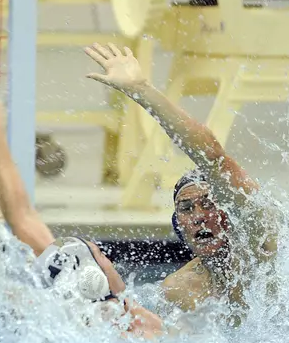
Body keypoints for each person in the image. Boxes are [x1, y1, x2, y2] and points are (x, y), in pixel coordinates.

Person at [83, 43, 279, 314]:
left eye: (208, 204)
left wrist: (142, 91)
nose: (198, 216)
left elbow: (211, 153)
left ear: (231, 210)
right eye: (187, 209)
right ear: (179, 225)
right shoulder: (179, 289)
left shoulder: (262, 244)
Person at [0, 98, 164, 340]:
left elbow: (23, 219)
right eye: (101, 255)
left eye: (101, 254)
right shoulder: (145, 325)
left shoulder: (48, 322)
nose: (107, 259)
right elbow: (23, 218)